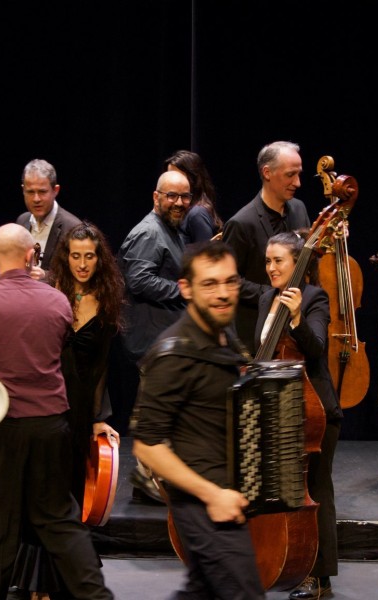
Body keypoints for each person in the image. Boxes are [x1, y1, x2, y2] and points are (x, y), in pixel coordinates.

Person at [0, 224, 114, 600]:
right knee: (60, 520)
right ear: (32, 254)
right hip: (51, 427)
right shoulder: (59, 302)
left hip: (1, 430)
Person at [132, 240, 263, 599]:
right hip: (204, 505)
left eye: (230, 282)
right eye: (210, 284)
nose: (223, 294)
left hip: (229, 497)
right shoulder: (172, 354)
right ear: (185, 288)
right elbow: (148, 445)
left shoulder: (227, 340)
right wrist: (213, 495)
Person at [9, 221, 125, 599]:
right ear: (65, 257)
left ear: (99, 259)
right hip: (44, 406)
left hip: (76, 414)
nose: (82, 264)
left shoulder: (107, 301)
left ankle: (57, 583)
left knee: (68, 495)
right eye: (75, 256)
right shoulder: (47, 293)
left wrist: (97, 419)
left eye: (90, 256)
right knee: (41, 492)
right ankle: (33, 585)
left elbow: (101, 368)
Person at [257, 232, 342, 600]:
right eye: (268, 261)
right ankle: (287, 561)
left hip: (313, 410)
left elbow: (317, 348)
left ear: (299, 264)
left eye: (279, 261)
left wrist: (295, 317)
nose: (271, 268)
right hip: (278, 408)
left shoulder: (313, 298)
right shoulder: (265, 298)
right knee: (287, 492)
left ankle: (320, 576)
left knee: (316, 491)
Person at [117, 169, 192, 504]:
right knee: (154, 413)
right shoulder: (149, 232)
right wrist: (184, 290)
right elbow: (138, 280)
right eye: (172, 196)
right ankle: (147, 482)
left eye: (185, 196)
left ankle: (150, 480)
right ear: (156, 197)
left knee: (159, 411)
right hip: (151, 340)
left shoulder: (170, 230)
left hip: (163, 339)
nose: (179, 202)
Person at [222, 141, 312, 355]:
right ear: (267, 172)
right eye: (290, 175)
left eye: (299, 174)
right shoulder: (241, 223)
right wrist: (272, 294)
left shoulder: (299, 209)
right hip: (257, 333)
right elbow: (229, 280)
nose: (297, 182)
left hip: (296, 330)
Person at [16, 158, 82, 277]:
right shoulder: (22, 221)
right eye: (30, 192)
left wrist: (45, 277)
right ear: (23, 190)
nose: (36, 199)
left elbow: (78, 276)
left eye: (42, 192)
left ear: (55, 190)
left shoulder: (73, 228)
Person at [164, 150, 223, 244]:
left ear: (193, 178)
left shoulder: (197, 214)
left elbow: (204, 257)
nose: (170, 180)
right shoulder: (184, 211)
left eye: (176, 176)